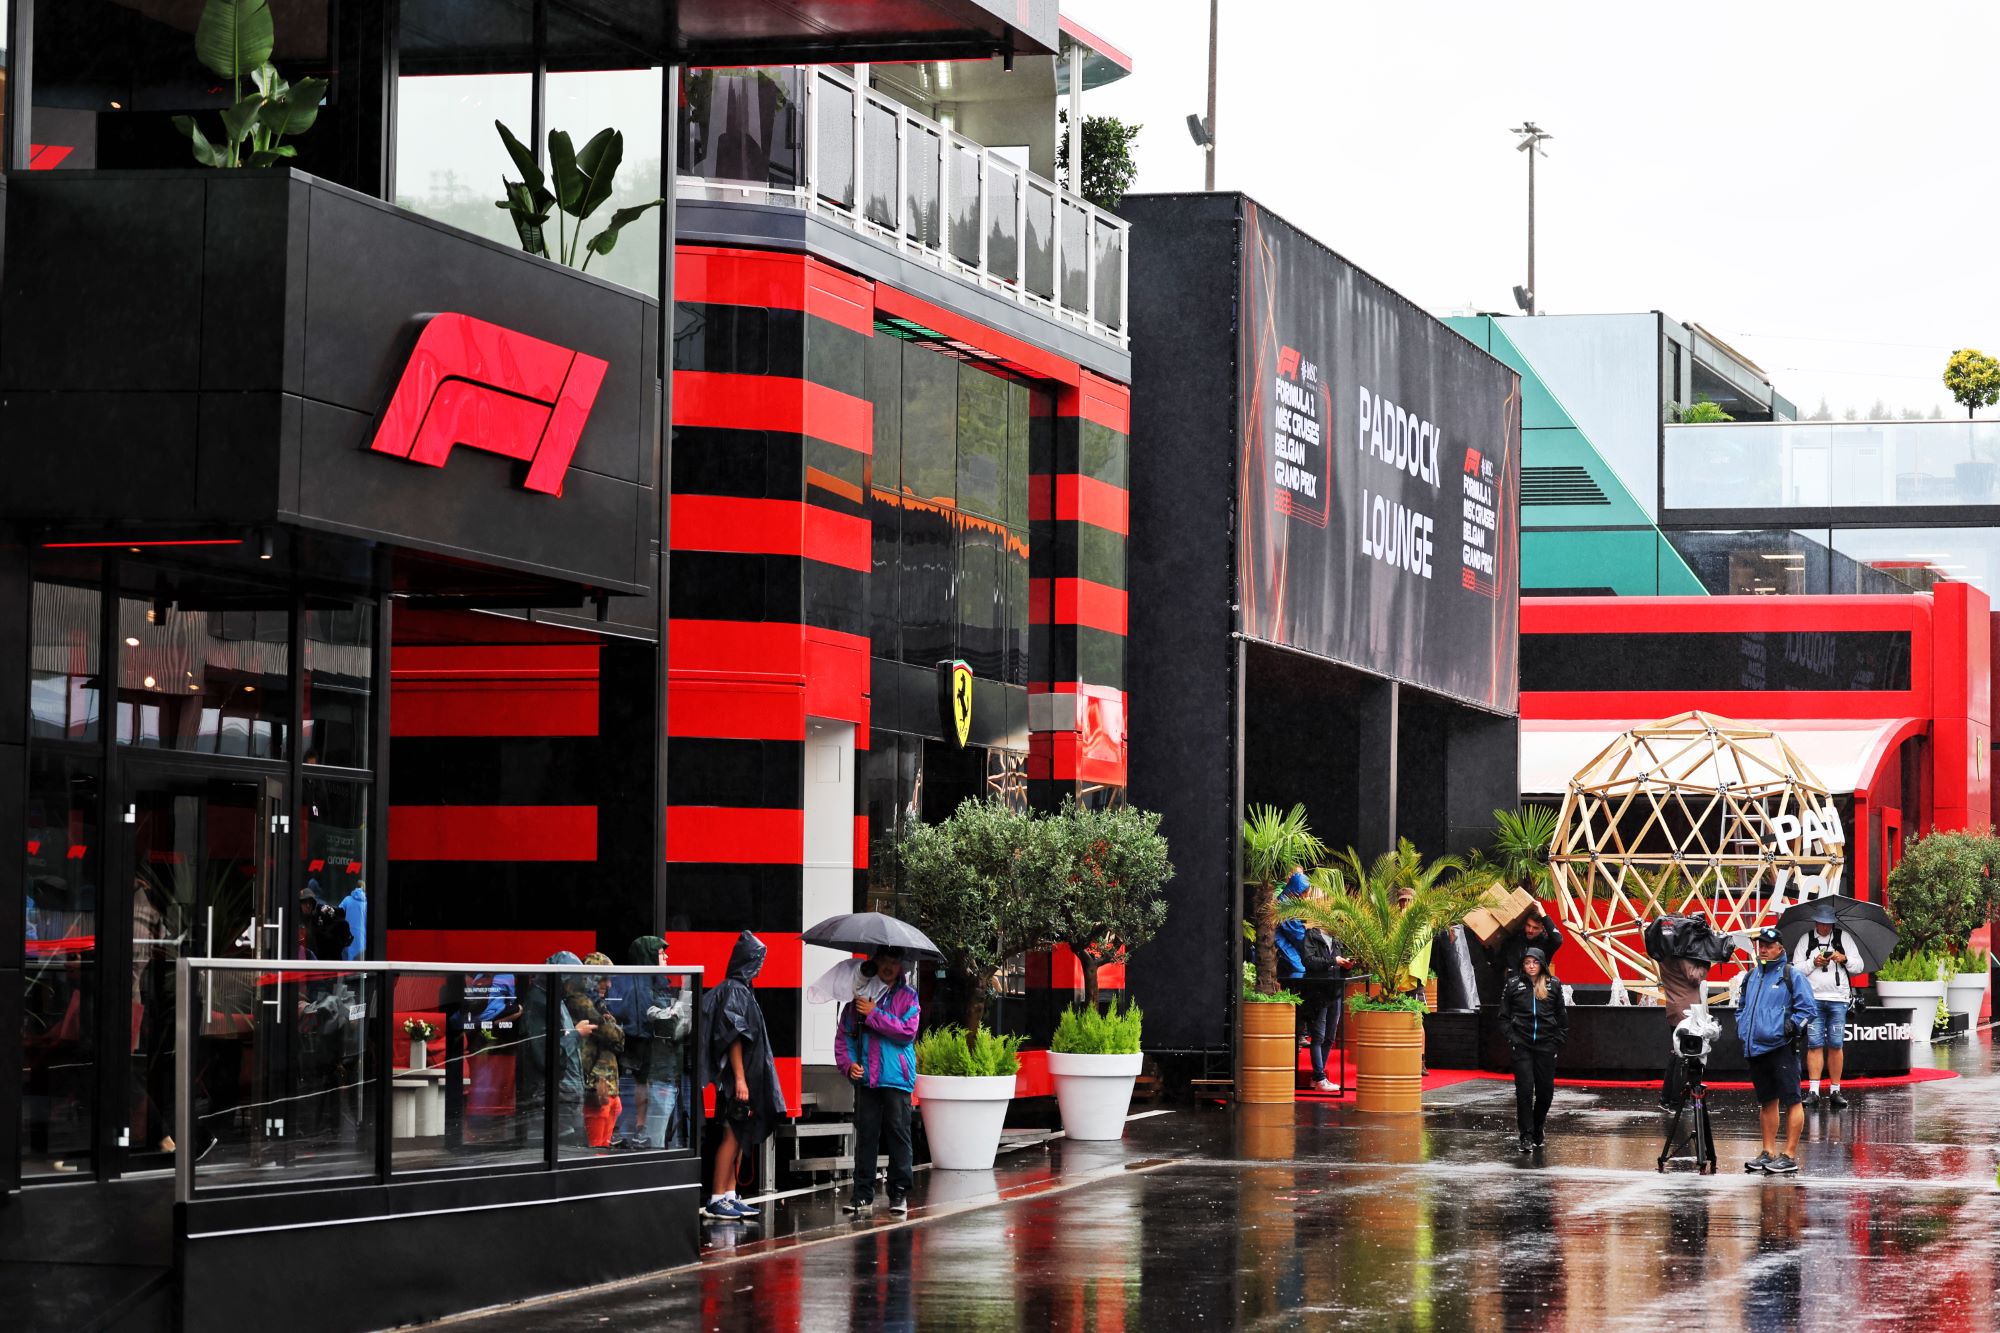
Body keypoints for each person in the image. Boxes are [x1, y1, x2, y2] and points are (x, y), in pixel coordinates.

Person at [699, 930, 788, 1221]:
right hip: (736, 1081)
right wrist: (739, 1079)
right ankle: (716, 1197)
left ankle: (728, 1194)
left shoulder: (739, 990)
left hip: (742, 1078)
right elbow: (734, 1036)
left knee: (738, 1135)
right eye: (757, 959)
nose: (760, 965)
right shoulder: (736, 991)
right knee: (731, 1135)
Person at [835, 947, 921, 1216]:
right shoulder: (858, 997)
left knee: (898, 1135)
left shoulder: (909, 997)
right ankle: (862, 1195)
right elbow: (844, 1037)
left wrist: (873, 1014)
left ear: (901, 968)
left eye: (894, 962)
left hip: (896, 1079)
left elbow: (906, 1032)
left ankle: (899, 1194)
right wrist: (849, 1066)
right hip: (867, 1079)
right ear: (876, 963)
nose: (888, 967)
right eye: (884, 961)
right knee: (866, 1136)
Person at [1738, 925, 1819, 1175]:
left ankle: (1790, 1155)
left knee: (1792, 1100)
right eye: (1760, 945)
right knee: (1766, 1101)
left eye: (1768, 945)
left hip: (1781, 1047)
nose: (1763, 949)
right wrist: (1742, 1026)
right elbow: (1741, 1006)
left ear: (1780, 948)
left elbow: (1809, 1010)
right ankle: (1768, 1151)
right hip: (1756, 1048)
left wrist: (1789, 1029)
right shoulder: (1752, 976)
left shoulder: (1791, 975)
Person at [612, 935, 693, 1150]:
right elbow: (662, 1023)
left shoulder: (655, 980)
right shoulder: (643, 984)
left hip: (655, 1055)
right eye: (660, 952)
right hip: (649, 1054)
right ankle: (641, 1133)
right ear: (649, 956)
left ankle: (642, 1132)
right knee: (648, 1097)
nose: (666, 956)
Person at [1791, 905, 1861, 1109]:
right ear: (1815, 922)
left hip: (1839, 999)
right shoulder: (1806, 939)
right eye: (1821, 923)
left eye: (1828, 923)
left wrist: (1844, 958)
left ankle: (1835, 1090)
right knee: (1814, 1043)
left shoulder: (1843, 938)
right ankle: (1813, 1091)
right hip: (1812, 1000)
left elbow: (1859, 966)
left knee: (1836, 1044)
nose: (1824, 927)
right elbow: (1795, 969)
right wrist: (1813, 962)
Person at [1500, 945, 1568, 1153]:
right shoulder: (1513, 985)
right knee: (1524, 1090)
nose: (1531, 966)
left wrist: (1557, 1040)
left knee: (1545, 1092)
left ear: (1542, 964)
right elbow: (1503, 1018)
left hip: (1546, 1045)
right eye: (1527, 962)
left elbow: (1562, 1017)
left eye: (1535, 962)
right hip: (1522, 1046)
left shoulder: (1553, 985)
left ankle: (1538, 1126)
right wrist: (1513, 1039)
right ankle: (1526, 1135)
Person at [562, 956, 625, 1149]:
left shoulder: (596, 1002)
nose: (608, 984)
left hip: (604, 1079)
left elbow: (617, 1038)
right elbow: (610, 1034)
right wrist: (612, 1028)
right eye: (603, 978)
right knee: (597, 1143)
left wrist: (612, 1029)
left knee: (607, 1127)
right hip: (595, 1080)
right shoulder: (581, 1001)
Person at [1495, 908, 1563, 980]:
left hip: (1536, 986)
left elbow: (1558, 939)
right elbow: (1500, 961)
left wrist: (1544, 915)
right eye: (1528, 925)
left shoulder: (1546, 944)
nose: (1530, 930)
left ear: (1542, 928)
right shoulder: (1515, 938)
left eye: (1535, 928)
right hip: (1513, 986)